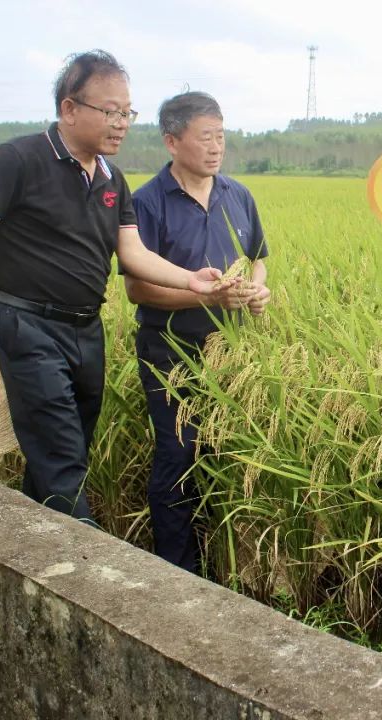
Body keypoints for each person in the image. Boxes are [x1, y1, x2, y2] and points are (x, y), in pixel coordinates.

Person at [0, 51, 235, 527]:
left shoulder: (110, 178)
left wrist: (193, 279)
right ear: (69, 109)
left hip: (84, 329)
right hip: (29, 324)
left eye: (127, 112)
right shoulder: (17, 160)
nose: (121, 123)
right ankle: (90, 566)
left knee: (64, 448)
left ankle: (32, 543)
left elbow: (133, 254)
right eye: (110, 111)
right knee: (63, 460)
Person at [125, 91, 269, 573]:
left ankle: (221, 560)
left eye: (221, 136)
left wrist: (256, 291)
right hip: (169, 352)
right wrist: (205, 297)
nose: (216, 147)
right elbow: (138, 288)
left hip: (231, 351)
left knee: (222, 450)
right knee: (179, 453)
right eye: (205, 136)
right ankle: (177, 569)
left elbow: (258, 259)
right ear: (171, 141)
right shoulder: (146, 202)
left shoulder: (238, 195)